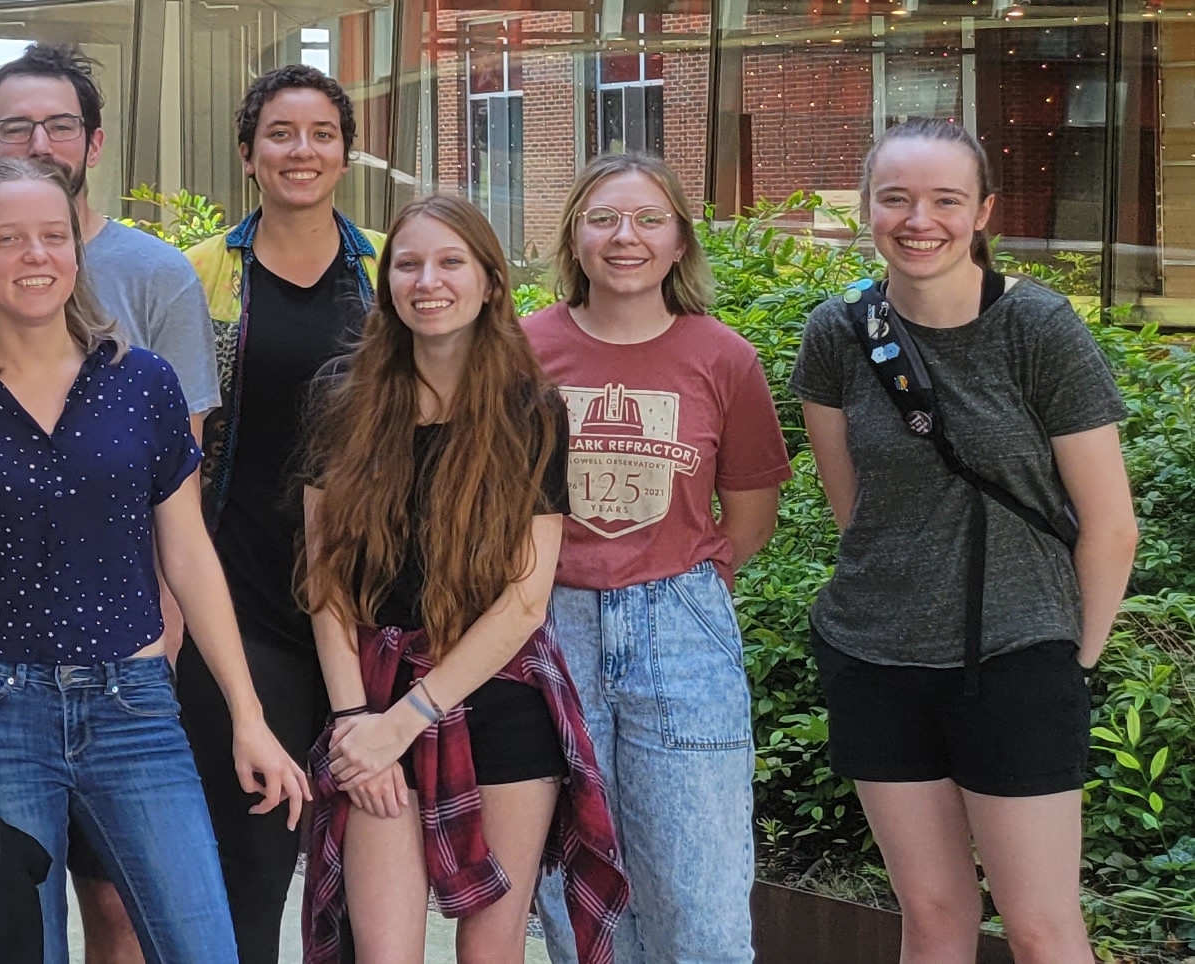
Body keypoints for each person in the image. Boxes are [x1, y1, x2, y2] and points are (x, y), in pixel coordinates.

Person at [0, 156, 310, 964]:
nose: (35, 255)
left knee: (203, 947)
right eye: (8, 239)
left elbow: (188, 553)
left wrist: (247, 717)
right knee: (24, 950)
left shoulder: (142, 382)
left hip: (135, 708)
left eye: (53, 236)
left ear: (76, 254)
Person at [0, 46, 220, 960]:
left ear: (93, 141)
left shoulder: (152, 301)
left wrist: (164, 649)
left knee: (134, 911)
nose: (42, 142)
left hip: (129, 669)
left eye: (61, 125)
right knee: (16, 939)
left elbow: (172, 510)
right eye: (17, 127)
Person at [789, 118, 1135, 964]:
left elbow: (1111, 523)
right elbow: (857, 511)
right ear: (869, 208)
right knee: (935, 915)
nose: (920, 220)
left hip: (1019, 658)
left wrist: (1072, 661)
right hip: (877, 660)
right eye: (896, 198)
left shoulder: (1038, 328)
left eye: (946, 199)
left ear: (983, 211)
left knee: (1042, 930)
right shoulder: (837, 335)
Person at [293, 194, 627, 964]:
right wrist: (355, 721)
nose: (428, 281)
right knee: (384, 952)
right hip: (373, 696)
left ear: (488, 283)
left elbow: (524, 599)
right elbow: (327, 582)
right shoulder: (342, 400)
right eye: (407, 264)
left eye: (451, 262)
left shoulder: (531, 410)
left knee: (491, 946)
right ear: (387, 287)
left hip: (500, 694)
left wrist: (406, 720)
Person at [523, 153, 785, 964]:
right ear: (574, 238)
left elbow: (747, 514)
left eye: (648, 220)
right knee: (582, 911)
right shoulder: (523, 348)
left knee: (701, 909)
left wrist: (678, 584)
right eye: (602, 219)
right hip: (546, 624)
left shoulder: (724, 357)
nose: (624, 237)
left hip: (680, 627)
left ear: (679, 243)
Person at [175, 63, 385, 964]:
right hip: (242, 592)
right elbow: (169, 449)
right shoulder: (199, 275)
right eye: (281, 134)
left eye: (321, 135)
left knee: (376, 862)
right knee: (251, 859)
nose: (302, 151)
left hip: (379, 604)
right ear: (249, 154)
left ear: (346, 152)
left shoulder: (391, 265)